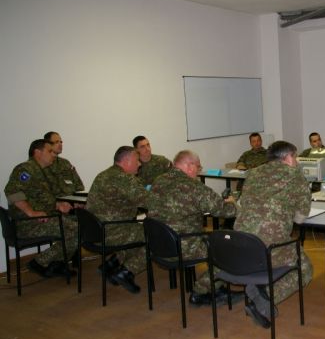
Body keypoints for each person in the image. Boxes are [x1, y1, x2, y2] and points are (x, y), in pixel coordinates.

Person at [234, 140, 312, 328]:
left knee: (284, 257)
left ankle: (259, 286)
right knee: (304, 269)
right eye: (295, 156)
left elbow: (241, 204)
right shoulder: (295, 175)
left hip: (240, 243)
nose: (297, 161)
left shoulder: (253, 173)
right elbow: (300, 219)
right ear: (288, 157)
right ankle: (265, 299)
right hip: (268, 245)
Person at [146, 150, 239, 306]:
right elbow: (225, 211)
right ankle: (201, 292)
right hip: (183, 245)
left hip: (159, 245)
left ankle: (216, 286)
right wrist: (233, 203)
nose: (198, 171)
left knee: (212, 238)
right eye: (198, 167)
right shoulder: (194, 187)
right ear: (189, 166)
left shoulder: (159, 181)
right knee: (227, 246)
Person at [4, 139, 77, 277]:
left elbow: (41, 199)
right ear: (37, 152)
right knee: (75, 229)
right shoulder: (25, 169)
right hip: (26, 223)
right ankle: (39, 262)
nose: (54, 154)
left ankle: (56, 264)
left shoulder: (43, 171)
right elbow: (12, 193)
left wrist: (58, 205)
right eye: (50, 151)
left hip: (44, 218)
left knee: (79, 223)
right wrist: (31, 213)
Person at [86, 146, 149, 293]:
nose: (139, 164)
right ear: (126, 161)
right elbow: (149, 202)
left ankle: (112, 263)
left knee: (137, 230)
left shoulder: (103, 175)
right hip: (112, 232)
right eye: (137, 160)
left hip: (94, 231)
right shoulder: (125, 178)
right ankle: (126, 272)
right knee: (153, 235)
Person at [43, 131, 84, 196]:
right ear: (47, 144)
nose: (60, 144)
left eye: (61, 142)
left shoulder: (65, 163)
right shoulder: (42, 163)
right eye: (56, 142)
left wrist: (77, 198)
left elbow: (80, 186)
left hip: (70, 200)